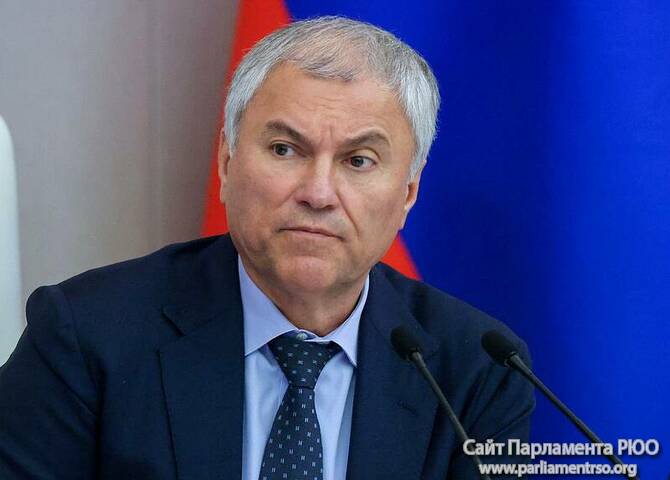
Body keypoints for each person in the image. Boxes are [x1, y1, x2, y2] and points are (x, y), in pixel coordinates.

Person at [0, 16, 534, 480]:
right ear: (227, 163)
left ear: (407, 195)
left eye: (359, 161)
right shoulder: (87, 336)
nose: (318, 194)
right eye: (284, 149)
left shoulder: (477, 369)